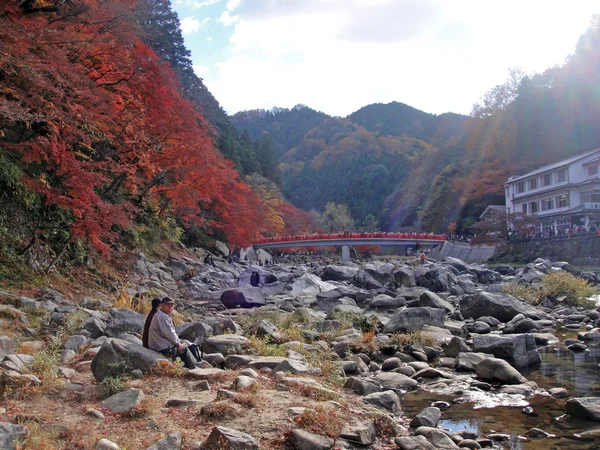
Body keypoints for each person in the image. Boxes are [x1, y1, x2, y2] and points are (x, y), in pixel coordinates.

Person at [148, 297, 201, 369]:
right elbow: (170, 334)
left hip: (157, 344)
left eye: (172, 305)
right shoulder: (162, 317)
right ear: (162, 305)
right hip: (161, 347)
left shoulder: (160, 314)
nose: (170, 307)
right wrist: (179, 344)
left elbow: (170, 334)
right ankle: (192, 368)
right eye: (168, 305)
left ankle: (191, 364)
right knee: (184, 348)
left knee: (186, 343)